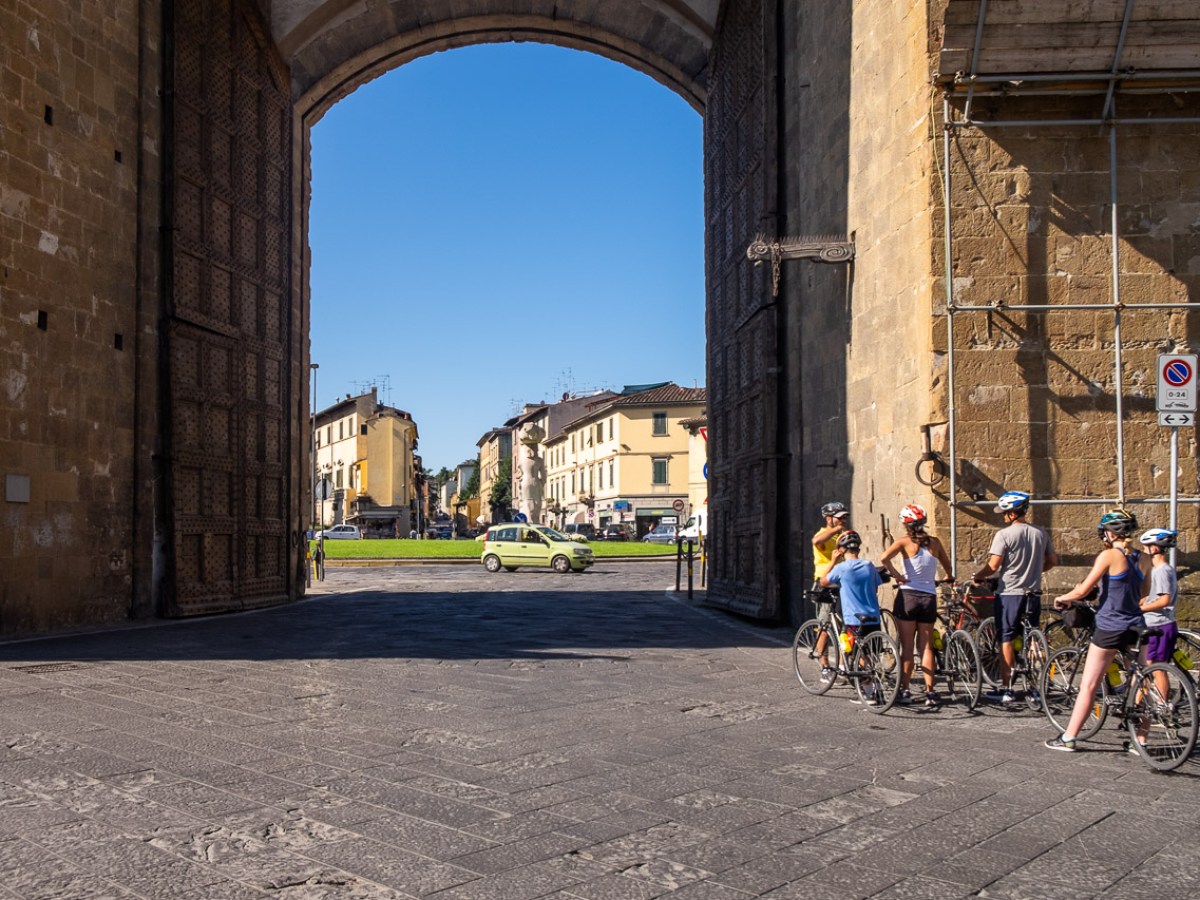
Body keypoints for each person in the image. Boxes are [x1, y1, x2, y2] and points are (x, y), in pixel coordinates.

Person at [1045, 509, 1151, 752]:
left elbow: (1083, 591)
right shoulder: (1144, 558)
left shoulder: (1109, 556)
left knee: (1090, 685)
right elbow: (1144, 596)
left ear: (1110, 532)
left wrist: (1063, 597)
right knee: (1142, 681)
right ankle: (1141, 740)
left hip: (1110, 626)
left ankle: (1069, 737)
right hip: (1137, 625)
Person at [972, 490, 1058, 704]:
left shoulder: (1004, 535)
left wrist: (978, 576)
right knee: (1032, 639)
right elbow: (1052, 561)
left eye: (1005, 513)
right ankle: (1035, 687)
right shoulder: (1040, 533)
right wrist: (1036, 571)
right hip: (1033, 593)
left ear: (1012, 514)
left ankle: (1007, 688)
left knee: (1006, 639)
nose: (1003, 516)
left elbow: (993, 565)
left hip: (1010, 593)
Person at [881, 504, 954, 708]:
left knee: (907, 647)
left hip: (908, 597)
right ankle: (930, 692)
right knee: (926, 646)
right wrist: (949, 577)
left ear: (906, 525)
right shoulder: (935, 543)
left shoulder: (904, 542)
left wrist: (897, 576)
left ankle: (905, 691)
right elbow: (947, 566)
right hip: (928, 598)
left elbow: (883, 558)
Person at [821, 530, 884, 700]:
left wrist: (833, 561)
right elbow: (876, 584)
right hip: (873, 616)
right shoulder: (869, 565)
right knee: (871, 655)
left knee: (860, 656)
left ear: (841, 550)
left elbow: (823, 581)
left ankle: (870, 694)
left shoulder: (841, 568)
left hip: (853, 619)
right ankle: (877, 689)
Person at [1136, 527, 1179, 747]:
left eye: (1145, 546)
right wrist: (1145, 600)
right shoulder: (1163, 569)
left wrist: (1143, 609)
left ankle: (1162, 705)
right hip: (1160, 624)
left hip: (1159, 625)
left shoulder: (1161, 570)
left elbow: (1164, 600)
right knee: (1151, 666)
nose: (1144, 550)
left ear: (1154, 548)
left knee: (1157, 667)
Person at [811, 501, 850, 680]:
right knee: (824, 626)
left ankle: (842, 665)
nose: (844, 520)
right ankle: (825, 665)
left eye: (845, 517)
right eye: (840, 517)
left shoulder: (844, 535)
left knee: (845, 626)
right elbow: (816, 541)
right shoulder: (823, 534)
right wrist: (837, 530)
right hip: (825, 583)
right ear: (829, 519)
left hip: (843, 582)